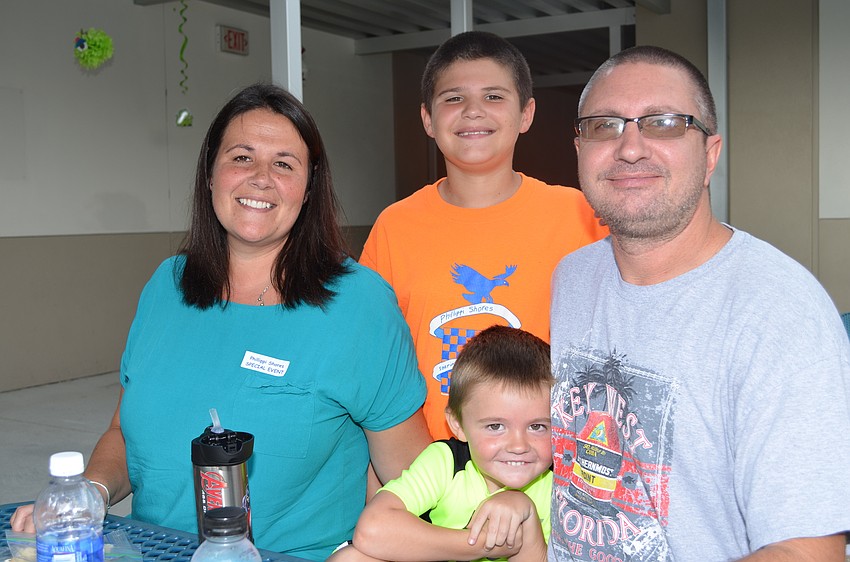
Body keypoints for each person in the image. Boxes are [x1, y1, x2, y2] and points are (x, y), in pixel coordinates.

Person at [11, 83, 431, 561]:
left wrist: (368, 551)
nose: (260, 178)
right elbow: (123, 434)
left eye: (284, 164)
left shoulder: (358, 305)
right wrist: (90, 493)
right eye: (242, 158)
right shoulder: (167, 285)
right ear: (210, 173)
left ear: (309, 189)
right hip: (153, 550)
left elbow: (414, 480)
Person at [549, 45, 850, 561]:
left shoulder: (779, 312)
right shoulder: (572, 278)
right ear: (579, 149)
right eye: (605, 125)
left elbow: (807, 552)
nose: (630, 148)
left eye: (664, 123)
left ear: (710, 155)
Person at [360, 31, 608, 441]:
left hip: (548, 456)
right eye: (453, 98)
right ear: (428, 119)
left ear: (526, 113)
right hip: (429, 460)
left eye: (493, 96)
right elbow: (373, 362)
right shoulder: (395, 226)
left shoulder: (582, 215)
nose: (473, 111)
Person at [329, 325, 552, 562]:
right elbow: (371, 531)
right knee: (350, 558)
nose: (518, 446)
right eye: (495, 426)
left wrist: (526, 515)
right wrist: (483, 545)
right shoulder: (447, 462)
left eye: (537, 427)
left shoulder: (561, 486)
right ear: (458, 425)